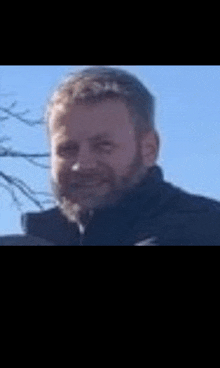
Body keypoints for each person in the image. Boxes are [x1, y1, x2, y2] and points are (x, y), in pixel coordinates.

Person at [1, 66, 220, 245]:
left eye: (103, 146)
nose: (82, 164)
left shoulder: (204, 230)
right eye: (68, 149)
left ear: (149, 149)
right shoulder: (42, 237)